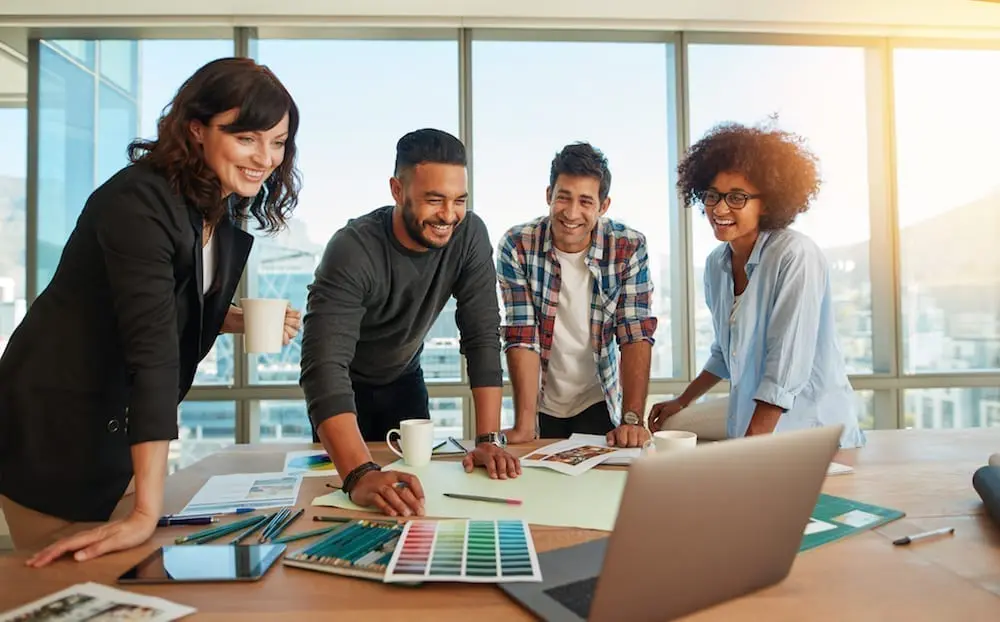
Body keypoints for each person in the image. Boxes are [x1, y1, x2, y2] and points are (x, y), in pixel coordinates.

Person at [0, 57, 303, 565]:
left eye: (277, 142)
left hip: (117, 438)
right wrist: (146, 511)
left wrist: (229, 319)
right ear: (196, 129)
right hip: (53, 435)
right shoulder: (139, 200)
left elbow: (166, 302)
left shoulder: (213, 209)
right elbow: (153, 351)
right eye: (246, 138)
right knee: (69, 591)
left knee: (117, 579)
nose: (265, 157)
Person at [300, 128, 521, 520]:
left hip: (405, 381)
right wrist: (358, 474)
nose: (448, 215)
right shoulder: (352, 249)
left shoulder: (469, 234)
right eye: (434, 200)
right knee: (347, 507)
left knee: (413, 505)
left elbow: (482, 334)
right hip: (343, 392)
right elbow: (323, 366)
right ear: (397, 190)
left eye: (458, 201)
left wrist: (488, 438)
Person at [648, 121, 865, 448]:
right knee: (674, 428)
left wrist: (750, 450)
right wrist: (683, 400)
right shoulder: (716, 265)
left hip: (812, 433)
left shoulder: (795, 255)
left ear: (768, 202)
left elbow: (785, 367)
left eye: (737, 198)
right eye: (712, 196)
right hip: (755, 426)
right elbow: (724, 353)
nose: (719, 209)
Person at [496, 142, 657, 448]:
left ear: (603, 206)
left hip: (596, 398)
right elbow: (522, 334)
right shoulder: (518, 245)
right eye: (563, 198)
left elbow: (634, 332)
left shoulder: (628, 246)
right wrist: (525, 423)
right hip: (541, 400)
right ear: (548, 195)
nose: (571, 213)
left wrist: (632, 419)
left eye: (585, 201)